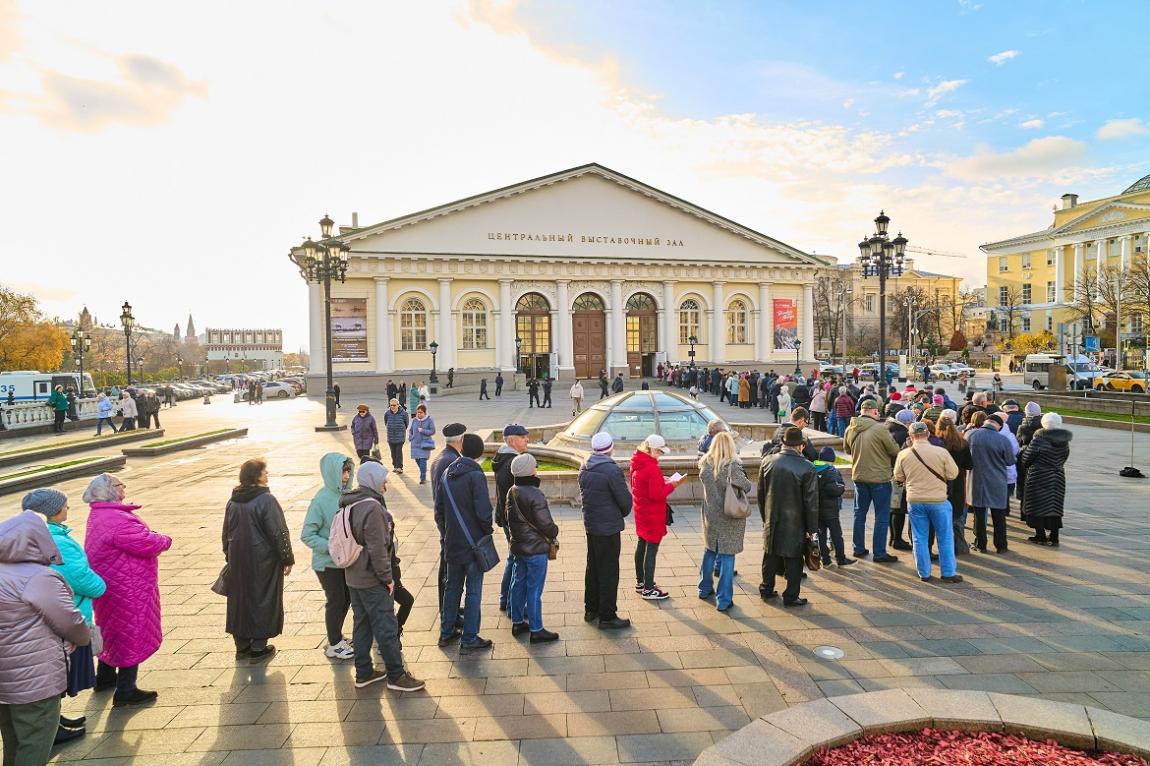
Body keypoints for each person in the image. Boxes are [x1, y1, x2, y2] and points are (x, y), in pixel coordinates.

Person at [0, 512, 91, 765]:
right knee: (35, 741)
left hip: (4, 679)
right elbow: (70, 621)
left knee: (13, 741)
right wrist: (82, 638)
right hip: (34, 679)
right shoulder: (38, 577)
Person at [24, 489, 105, 744]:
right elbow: (78, 576)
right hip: (70, 612)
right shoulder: (56, 540)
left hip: (63, 610)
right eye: (65, 506)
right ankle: (51, 726)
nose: (68, 509)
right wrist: (100, 586)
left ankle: (55, 719)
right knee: (58, 673)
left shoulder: (51, 535)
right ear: (54, 510)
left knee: (59, 672)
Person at [84, 473, 169, 707]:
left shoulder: (100, 513)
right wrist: (164, 539)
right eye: (120, 484)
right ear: (111, 490)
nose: (124, 487)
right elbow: (146, 542)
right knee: (130, 632)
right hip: (126, 587)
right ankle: (126, 690)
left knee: (111, 630)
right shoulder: (115, 518)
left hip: (112, 583)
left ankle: (105, 678)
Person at [340, 461, 425, 691]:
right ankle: (397, 676)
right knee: (386, 627)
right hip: (372, 578)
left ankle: (364, 672)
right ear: (372, 480)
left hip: (353, 577)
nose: (386, 483)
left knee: (362, 624)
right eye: (383, 479)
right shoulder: (372, 508)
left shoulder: (351, 503)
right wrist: (388, 579)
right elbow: (378, 549)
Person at [222, 459, 294, 663]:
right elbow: (278, 532)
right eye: (264, 472)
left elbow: (226, 531)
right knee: (264, 599)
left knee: (240, 601)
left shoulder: (233, 500)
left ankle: (241, 646)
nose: (267, 474)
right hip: (263, 560)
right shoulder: (266, 500)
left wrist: (229, 554)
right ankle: (258, 647)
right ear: (257, 475)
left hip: (238, 559)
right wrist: (286, 557)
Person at [435, 433, 495, 653]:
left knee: (452, 587)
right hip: (472, 544)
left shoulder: (446, 473)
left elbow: (439, 510)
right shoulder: (475, 475)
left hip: (452, 542)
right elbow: (483, 512)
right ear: (479, 452)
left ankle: (446, 632)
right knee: (473, 590)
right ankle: (469, 638)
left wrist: (447, 532)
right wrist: (486, 532)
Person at [300, 453, 356, 661]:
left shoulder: (349, 494)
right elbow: (307, 534)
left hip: (345, 561)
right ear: (332, 472)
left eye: (348, 470)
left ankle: (337, 636)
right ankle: (334, 644)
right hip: (327, 563)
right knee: (336, 600)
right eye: (343, 471)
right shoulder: (321, 499)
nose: (346, 475)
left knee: (347, 599)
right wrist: (332, 547)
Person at [758, 427, 819, 606]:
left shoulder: (767, 461)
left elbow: (761, 495)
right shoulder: (807, 467)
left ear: (783, 443)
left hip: (772, 517)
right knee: (793, 559)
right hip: (795, 521)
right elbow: (811, 503)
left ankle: (766, 589)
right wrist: (811, 529)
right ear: (800, 446)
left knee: (770, 555)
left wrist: (765, 517)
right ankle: (791, 596)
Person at [894, 422, 962, 583]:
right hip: (938, 499)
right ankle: (948, 573)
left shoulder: (904, 454)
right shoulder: (941, 452)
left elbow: (898, 476)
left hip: (915, 500)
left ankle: (924, 573)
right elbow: (953, 474)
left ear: (911, 437)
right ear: (928, 435)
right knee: (945, 537)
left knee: (919, 537)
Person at [578, 432, 633, 629]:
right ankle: (607, 616)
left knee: (592, 566)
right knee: (609, 570)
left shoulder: (585, 466)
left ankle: (590, 609)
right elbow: (625, 502)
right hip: (608, 528)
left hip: (591, 525)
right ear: (610, 448)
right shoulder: (612, 471)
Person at [506, 453, 560, 642]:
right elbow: (546, 524)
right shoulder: (534, 493)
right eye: (535, 466)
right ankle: (536, 630)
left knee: (517, 583)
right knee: (534, 589)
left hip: (518, 546)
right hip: (535, 549)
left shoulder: (512, 490)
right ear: (530, 471)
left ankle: (518, 622)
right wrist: (554, 531)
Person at [697, 431, 753, 611]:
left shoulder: (705, 465)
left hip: (711, 516)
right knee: (728, 557)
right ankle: (723, 600)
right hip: (730, 516)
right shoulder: (732, 467)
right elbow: (747, 486)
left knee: (710, 551)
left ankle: (704, 589)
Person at [844, 399, 900, 563]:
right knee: (881, 516)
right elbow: (894, 450)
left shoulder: (850, 428)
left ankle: (858, 548)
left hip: (859, 476)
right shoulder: (880, 429)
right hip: (879, 478)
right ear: (875, 412)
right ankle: (879, 553)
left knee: (859, 513)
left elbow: (847, 449)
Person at [631, 434, 682, 600]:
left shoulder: (638, 462)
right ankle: (648, 588)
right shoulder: (652, 468)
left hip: (641, 511)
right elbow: (656, 494)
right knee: (651, 550)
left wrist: (662, 479)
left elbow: (642, 486)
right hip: (652, 514)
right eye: (659, 451)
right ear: (651, 449)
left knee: (641, 545)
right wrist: (672, 485)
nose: (660, 454)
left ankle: (640, 582)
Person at [430, 423, 466, 617]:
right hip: (450, 525)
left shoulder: (440, 458)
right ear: (461, 440)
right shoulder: (451, 462)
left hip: (444, 522)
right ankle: (447, 611)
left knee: (447, 568)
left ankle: (449, 607)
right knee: (450, 573)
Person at [1020, 413, 1072, 546]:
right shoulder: (1064, 440)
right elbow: (1064, 457)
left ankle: (1040, 535)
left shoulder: (1038, 439)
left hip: (1038, 477)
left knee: (1037, 505)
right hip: (1057, 476)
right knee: (1054, 506)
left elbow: (1026, 459)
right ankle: (1054, 536)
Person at [967, 412, 1016, 553]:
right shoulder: (1002, 440)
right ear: (999, 426)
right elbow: (1010, 461)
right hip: (997, 481)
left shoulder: (970, 435)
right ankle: (1001, 545)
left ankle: (980, 544)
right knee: (998, 515)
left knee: (979, 514)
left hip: (976, 479)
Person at [493, 424, 530, 615]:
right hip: (513, 520)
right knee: (517, 560)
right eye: (523, 437)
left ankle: (504, 598)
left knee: (512, 557)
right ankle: (512, 604)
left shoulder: (503, 459)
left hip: (505, 517)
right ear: (511, 440)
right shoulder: (513, 464)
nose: (527, 440)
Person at [813, 446, 854, 567]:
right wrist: (841, 487)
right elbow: (836, 489)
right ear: (831, 459)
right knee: (837, 535)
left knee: (821, 535)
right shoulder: (831, 471)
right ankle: (841, 559)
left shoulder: (812, 469)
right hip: (831, 510)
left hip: (817, 509)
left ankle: (825, 560)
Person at [407, 404, 436, 484]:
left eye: (421, 412)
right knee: (417, 460)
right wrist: (410, 437)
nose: (419, 414)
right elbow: (410, 430)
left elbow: (433, 431)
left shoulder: (429, 420)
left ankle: (422, 477)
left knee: (423, 460)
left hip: (425, 444)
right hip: (415, 444)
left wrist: (423, 430)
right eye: (418, 412)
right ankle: (423, 470)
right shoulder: (414, 420)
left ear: (425, 413)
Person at [382, 399, 409, 475]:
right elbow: (386, 423)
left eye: (394, 405)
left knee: (398, 452)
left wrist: (401, 431)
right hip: (390, 437)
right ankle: (395, 466)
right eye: (391, 405)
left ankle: (399, 467)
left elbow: (406, 424)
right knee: (393, 453)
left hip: (400, 437)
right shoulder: (387, 414)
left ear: (398, 405)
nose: (392, 407)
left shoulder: (404, 414)